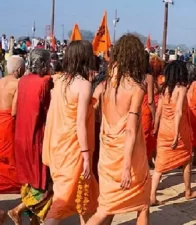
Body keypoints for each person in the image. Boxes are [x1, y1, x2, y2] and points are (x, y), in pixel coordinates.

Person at [86, 34, 151, 225]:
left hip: (107, 156)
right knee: (143, 205)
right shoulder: (136, 88)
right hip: (129, 157)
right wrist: (126, 167)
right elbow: (130, 130)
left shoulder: (104, 87)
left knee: (106, 207)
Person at [42, 41, 99, 225]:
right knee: (61, 202)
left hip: (58, 146)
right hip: (74, 150)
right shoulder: (83, 85)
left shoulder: (58, 81)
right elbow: (80, 123)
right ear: (85, 57)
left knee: (86, 199)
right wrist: (86, 156)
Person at [8, 49, 53, 225]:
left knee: (29, 181)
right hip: (36, 138)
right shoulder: (44, 83)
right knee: (45, 185)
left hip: (21, 136)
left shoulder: (23, 81)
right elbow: (47, 110)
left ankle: (34, 220)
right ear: (44, 63)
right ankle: (18, 209)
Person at [151, 60, 196, 206]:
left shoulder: (164, 89)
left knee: (160, 164)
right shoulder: (182, 88)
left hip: (163, 130)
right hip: (177, 129)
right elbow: (178, 111)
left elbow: (159, 111)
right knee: (186, 159)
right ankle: (187, 191)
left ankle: (152, 196)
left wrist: (155, 127)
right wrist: (177, 133)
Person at [0, 56, 25, 225]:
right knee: (13, 159)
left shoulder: (0, 81)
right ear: (18, 70)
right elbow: (16, 111)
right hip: (9, 123)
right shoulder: (17, 84)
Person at [141, 51, 156, 168]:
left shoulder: (130, 75)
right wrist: (155, 117)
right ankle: (146, 162)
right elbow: (151, 101)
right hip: (145, 110)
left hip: (132, 110)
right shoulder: (148, 77)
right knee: (146, 138)